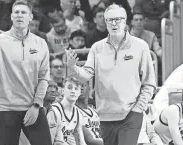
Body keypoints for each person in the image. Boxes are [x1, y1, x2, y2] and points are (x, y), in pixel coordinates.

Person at [66, 4, 156, 145]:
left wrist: (138, 108)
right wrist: (73, 67)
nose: (114, 23)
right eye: (110, 20)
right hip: (105, 114)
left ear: (125, 21)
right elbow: (85, 75)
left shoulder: (141, 46)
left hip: (131, 114)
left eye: (118, 19)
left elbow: (149, 82)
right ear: (106, 22)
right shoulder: (97, 47)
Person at [0, 1, 52, 145]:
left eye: (23, 12)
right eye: (16, 12)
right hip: (5, 108)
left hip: (32, 107)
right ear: (11, 16)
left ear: (31, 17)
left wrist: (36, 105)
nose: (19, 15)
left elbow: (44, 77)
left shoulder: (41, 43)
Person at [47, 77, 86, 145]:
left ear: (79, 93)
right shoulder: (54, 111)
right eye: (69, 88)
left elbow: (81, 141)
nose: (73, 91)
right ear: (63, 90)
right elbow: (50, 140)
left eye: (76, 89)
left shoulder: (78, 113)